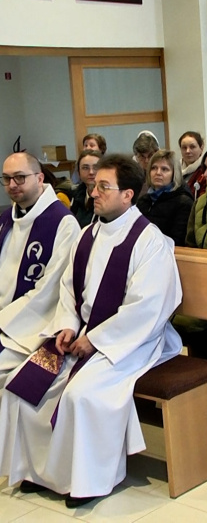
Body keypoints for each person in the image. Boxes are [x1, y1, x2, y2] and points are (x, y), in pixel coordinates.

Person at [0, 154, 182, 508]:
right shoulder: (87, 235)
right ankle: (40, 474)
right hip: (81, 334)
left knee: (79, 395)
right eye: (93, 185)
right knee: (23, 386)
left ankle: (89, 481)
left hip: (131, 342)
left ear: (127, 194)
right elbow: (68, 291)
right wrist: (68, 327)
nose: (93, 192)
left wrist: (94, 339)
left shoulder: (150, 242)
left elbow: (146, 310)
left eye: (103, 187)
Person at [0, 153, 80, 389]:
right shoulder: (6, 218)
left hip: (29, 326)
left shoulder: (62, 223)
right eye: (6, 179)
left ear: (40, 178)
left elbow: (50, 291)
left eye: (20, 177)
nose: (12, 185)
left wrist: (3, 319)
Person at [136, 150, 193, 247]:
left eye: (164, 169)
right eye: (154, 168)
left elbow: (177, 240)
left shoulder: (183, 202)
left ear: (174, 173)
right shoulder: (143, 200)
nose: (158, 173)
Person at [70, 149, 103, 228]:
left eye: (96, 167)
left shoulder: (109, 197)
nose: (91, 172)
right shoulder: (76, 195)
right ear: (78, 172)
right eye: (85, 168)